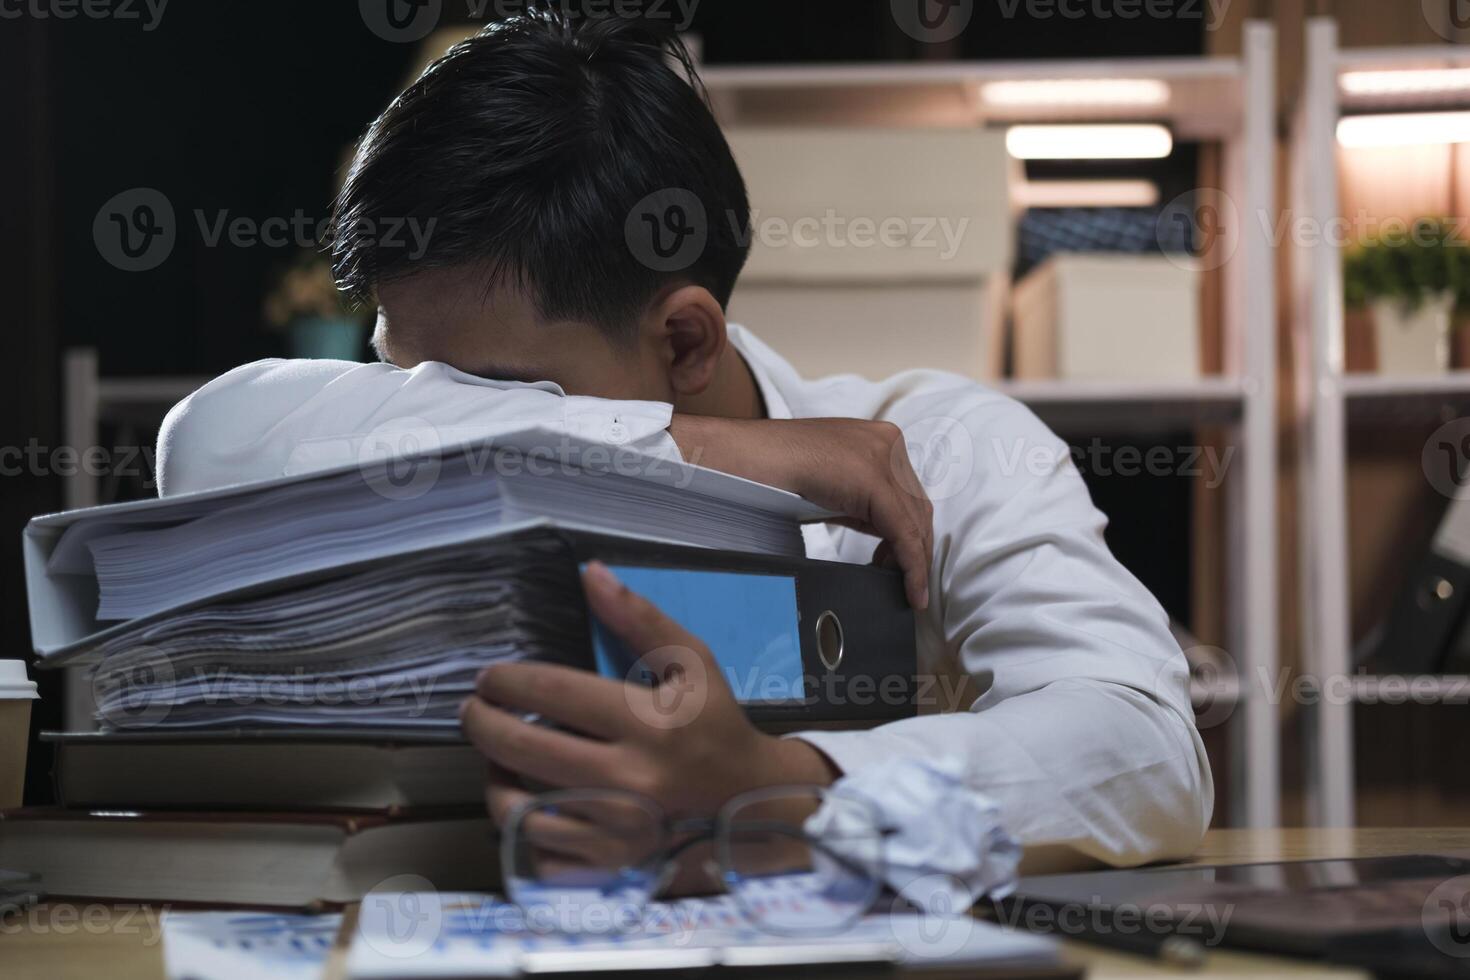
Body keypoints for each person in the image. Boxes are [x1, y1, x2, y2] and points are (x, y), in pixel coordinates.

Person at [157, 9, 1210, 870]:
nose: (446, 416)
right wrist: (708, 449)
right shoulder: (395, 428)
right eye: (404, 371)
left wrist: (786, 787)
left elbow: (1143, 751)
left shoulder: (942, 441)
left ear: (687, 339)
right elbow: (206, 443)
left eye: (500, 390)